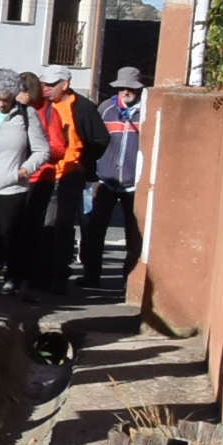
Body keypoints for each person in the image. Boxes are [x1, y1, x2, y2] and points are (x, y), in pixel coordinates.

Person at [0, 71, 49, 298]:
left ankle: (10, 276)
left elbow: (42, 150)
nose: (1, 104)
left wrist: (23, 170)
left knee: (7, 235)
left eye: (6, 99)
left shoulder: (26, 114)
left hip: (12, 187)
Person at [81, 67, 147, 289]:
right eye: (122, 88)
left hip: (133, 184)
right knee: (94, 230)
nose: (125, 92)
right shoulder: (106, 109)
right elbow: (93, 141)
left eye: (131, 88)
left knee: (133, 234)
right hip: (105, 180)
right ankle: (91, 275)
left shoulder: (146, 112)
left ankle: (128, 280)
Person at [44, 68, 108, 291]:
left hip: (72, 174)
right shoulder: (42, 105)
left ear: (65, 84)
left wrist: (82, 162)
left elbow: (101, 139)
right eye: (45, 84)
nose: (47, 88)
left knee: (65, 224)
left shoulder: (83, 108)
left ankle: (60, 275)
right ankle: (44, 272)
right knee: (47, 225)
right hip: (46, 173)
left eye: (52, 84)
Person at [21, 70, 80, 292]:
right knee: (17, 229)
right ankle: (17, 275)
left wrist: (34, 151)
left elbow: (58, 148)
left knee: (41, 229)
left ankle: (38, 278)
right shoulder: (14, 111)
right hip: (15, 178)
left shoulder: (47, 112)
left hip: (41, 178)